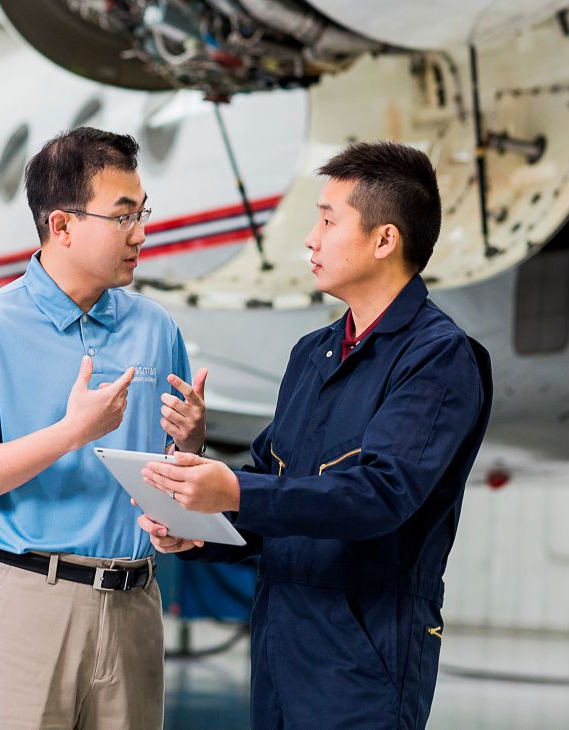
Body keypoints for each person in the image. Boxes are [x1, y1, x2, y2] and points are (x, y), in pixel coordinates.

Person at [138, 142, 493, 729]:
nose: (310, 238)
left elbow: (380, 495)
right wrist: (198, 528)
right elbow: (273, 494)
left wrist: (233, 495)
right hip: (280, 640)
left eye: (328, 221)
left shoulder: (438, 360)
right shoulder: (313, 355)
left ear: (384, 240)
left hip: (366, 652)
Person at [0, 127, 206, 730]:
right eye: (122, 216)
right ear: (61, 226)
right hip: (28, 603)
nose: (141, 233)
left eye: (143, 212)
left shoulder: (157, 328)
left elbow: (168, 466)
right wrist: (70, 433)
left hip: (136, 604)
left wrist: (189, 446)